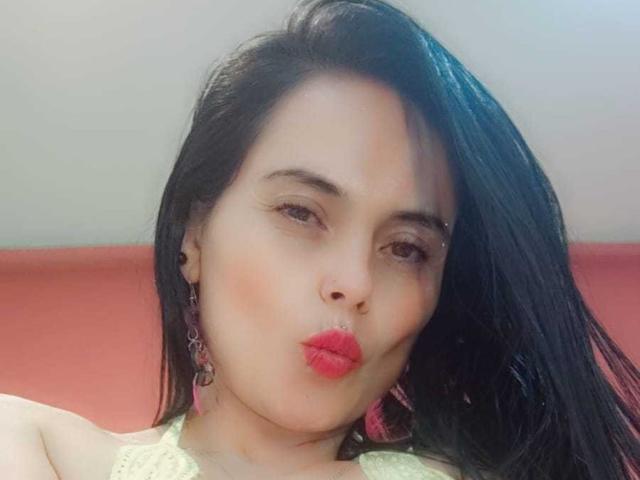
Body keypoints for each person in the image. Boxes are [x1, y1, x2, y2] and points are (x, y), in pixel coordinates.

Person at [2, 0, 638, 479]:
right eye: (301, 213)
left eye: (406, 248)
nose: (355, 283)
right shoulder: (39, 449)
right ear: (193, 235)